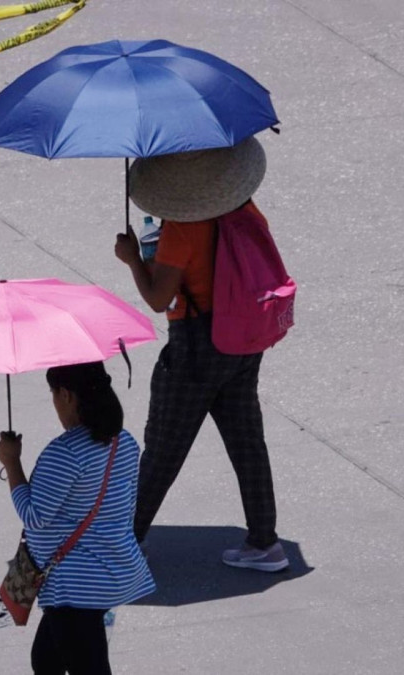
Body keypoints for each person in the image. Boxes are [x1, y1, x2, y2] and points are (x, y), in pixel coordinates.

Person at [113, 137, 290, 572]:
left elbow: (159, 298)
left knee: (163, 449)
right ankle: (266, 543)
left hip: (197, 349)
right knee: (247, 442)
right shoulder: (244, 209)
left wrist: (134, 259)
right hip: (243, 340)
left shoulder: (181, 230)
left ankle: (124, 545)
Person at [0, 361, 155, 675]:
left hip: (74, 586)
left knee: (86, 667)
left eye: (53, 394)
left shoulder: (64, 453)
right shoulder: (123, 443)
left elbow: (34, 516)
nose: (54, 403)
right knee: (46, 660)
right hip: (108, 572)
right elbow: (126, 508)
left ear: (66, 395)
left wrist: (12, 463)